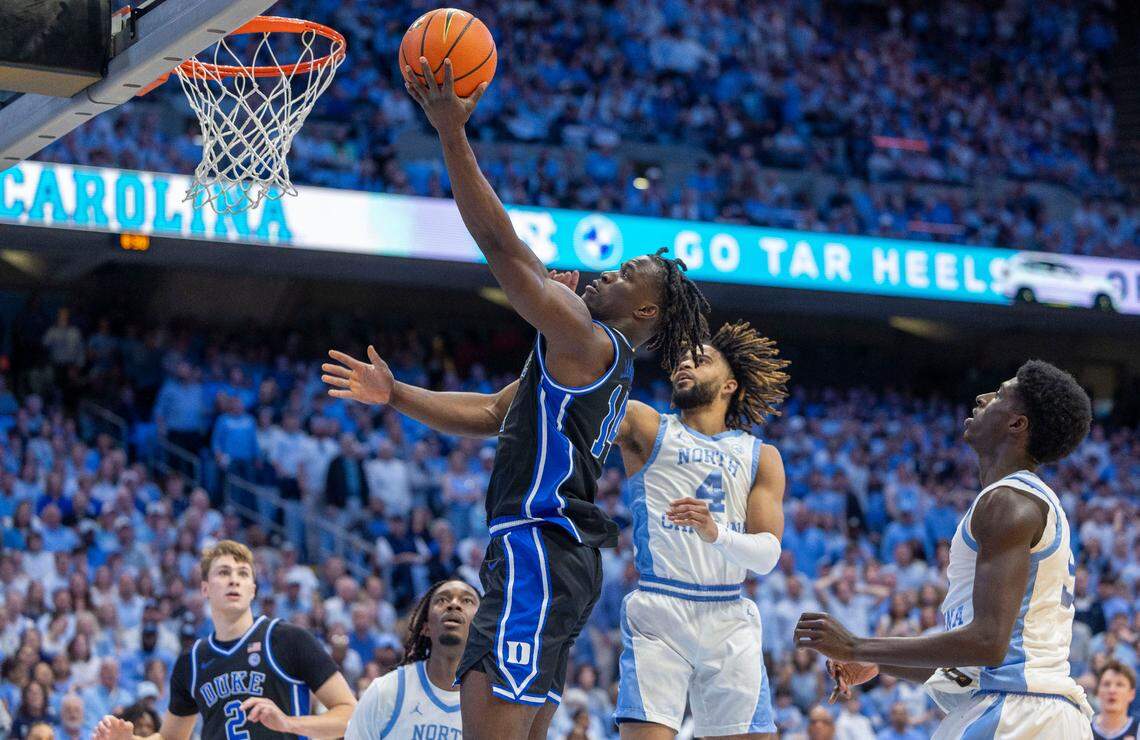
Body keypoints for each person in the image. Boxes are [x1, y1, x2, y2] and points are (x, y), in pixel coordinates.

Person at [325, 55, 710, 740]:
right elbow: (495, 414)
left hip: (539, 548)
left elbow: (501, 249)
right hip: (547, 557)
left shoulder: (588, 340)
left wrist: (449, 131)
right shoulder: (589, 354)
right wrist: (395, 395)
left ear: (646, 313)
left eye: (625, 275)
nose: (606, 273)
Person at [796, 360, 1095, 738]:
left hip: (1018, 712)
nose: (982, 397)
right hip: (1031, 710)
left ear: (1017, 424)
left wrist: (856, 646)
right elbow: (978, 665)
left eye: (999, 395)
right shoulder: (1019, 500)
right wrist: (876, 660)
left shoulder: (1008, 503)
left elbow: (987, 644)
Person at [607, 319, 789, 738]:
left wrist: (716, 533)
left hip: (729, 613)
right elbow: (579, 399)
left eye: (701, 360)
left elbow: (767, 555)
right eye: (682, 360)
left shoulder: (761, 456)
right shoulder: (647, 426)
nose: (685, 365)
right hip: (660, 606)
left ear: (729, 385)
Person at [93, 540, 356, 739]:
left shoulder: (288, 639)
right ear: (205, 588)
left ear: (252, 589)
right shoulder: (192, 661)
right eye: (224, 572)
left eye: (243, 574)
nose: (234, 580)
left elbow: (351, 714)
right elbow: (171, 737)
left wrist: (289, 723)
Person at [344, 579, 480, 739]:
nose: (454, 605)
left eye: (467, 600)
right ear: (425, 627)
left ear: (482, 627)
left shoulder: (494, 704)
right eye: (442, 600)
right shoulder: (386, 691)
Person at [1092, 660, 1138, 740]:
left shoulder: (1138, 731)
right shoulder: (1084, 729)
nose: (1112, 690)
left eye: (1119, 685)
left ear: (1131, 694)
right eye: (1106, 684)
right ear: (1097, 691)